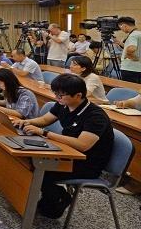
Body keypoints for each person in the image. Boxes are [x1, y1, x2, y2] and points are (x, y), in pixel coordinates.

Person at [13, 74, 113, 219]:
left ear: (78, 95)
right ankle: (32, 200)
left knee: (39, 168)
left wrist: (44, 133)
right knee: (26, 160)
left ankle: (59, 198)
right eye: (56, 94)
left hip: (87, 163)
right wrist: (27, 122)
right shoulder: (63, 104)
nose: (57, 98)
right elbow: (45, 119)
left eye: (61, 95)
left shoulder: (95, 116)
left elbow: (82, 145)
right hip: (67, 153)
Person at [115, 16, 141, 83]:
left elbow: (132, 49)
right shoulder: (138, 33)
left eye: (120, 27)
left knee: (129, 88)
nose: (121, 30)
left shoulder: (133, 35)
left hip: (130, 69)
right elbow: (136, 47)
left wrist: (129, 56)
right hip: (138, 68)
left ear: (124, 25)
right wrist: (121, 43)